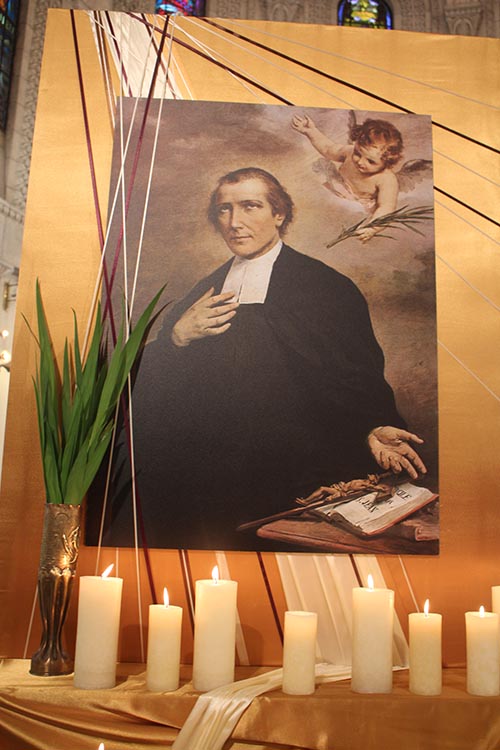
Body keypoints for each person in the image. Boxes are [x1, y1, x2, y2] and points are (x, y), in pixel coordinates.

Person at [98, 167, 426, 551]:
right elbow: (154, 392)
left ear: (279, 214)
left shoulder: (327, 288)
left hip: (294, 473)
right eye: (224, 209)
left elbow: (357, 378)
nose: (234, 222)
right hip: (205, 478)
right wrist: (176, 338)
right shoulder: (202, 292)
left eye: (250, 206)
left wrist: (371, 426)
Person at [291, 114, 404, 242]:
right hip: (333, 192)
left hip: (353, 209)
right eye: (358, 153)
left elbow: (386, 207)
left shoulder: (387, 179)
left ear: (388, 162)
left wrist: (372, 228)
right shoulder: (349, 152)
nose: (360, 162)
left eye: (371, 161)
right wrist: (311, 131)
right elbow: (328, 149)